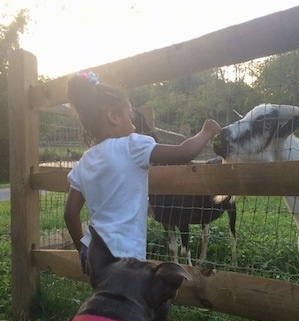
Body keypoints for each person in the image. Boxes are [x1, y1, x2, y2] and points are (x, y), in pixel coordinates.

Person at [64, 72, 221, 272]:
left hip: (94, 254)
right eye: (129, 117)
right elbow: (184, 153)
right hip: (126, 256)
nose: (134, 125)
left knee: (108, 298)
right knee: (135, 301)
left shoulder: (84, 161)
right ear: (113, 116)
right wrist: (206, 131)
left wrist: (82, 251)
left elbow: (70, 213)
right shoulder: (132, 146)